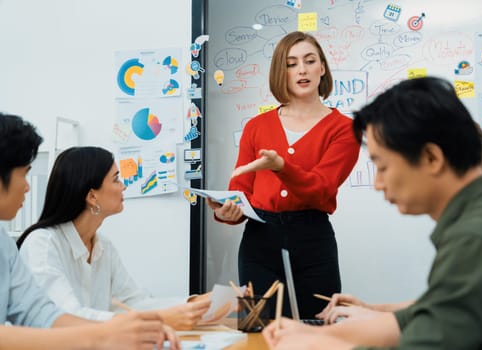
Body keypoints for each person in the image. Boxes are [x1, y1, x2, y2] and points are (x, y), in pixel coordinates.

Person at [263, 77, 482, 349]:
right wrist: (317, 335)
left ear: (431, 158)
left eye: (383, 166)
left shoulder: (478, 237)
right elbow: (435, 315)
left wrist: (319, 345)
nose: (378, 183)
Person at [206, 31, 360, 318]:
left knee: (317, 332)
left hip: (313, 242)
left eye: (309, 60)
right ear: (281, 72)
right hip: (259, 244)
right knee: (259, 331)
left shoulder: (344, 129)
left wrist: (281, 166)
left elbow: (320, 188)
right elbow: (241, 191)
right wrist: (229, 210)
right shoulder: (256, 127)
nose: (301, 69)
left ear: (322, 68)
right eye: (291, 63)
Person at [0, 113, 178, 350]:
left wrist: (132, 328)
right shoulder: (41, 243)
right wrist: (106, 334)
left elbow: (41, 314)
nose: (28, 186)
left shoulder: (3, 243)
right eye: (24, 173)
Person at [17, 146, 211, 331]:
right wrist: (157, 320)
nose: (123, 186)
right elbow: (66, 317)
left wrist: (196, 304)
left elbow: (133, 302)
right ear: (92, 196)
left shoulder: (103, 246)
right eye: (116, 179)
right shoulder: (42, 245)